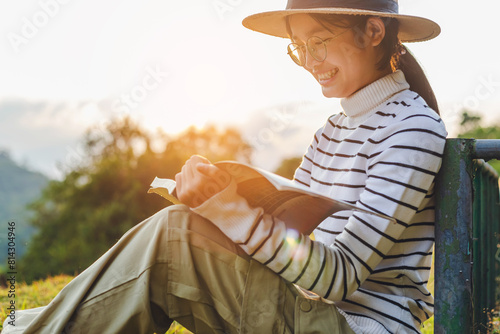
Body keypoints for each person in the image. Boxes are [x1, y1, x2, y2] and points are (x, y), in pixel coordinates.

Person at [3, 0, 447, 333]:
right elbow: (288, 241)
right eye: (299, 48)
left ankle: (29, 326)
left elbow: (340, 276)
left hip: (356, 326)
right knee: (181, 223)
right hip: (309, 309)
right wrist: (220, 200)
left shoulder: (412, 129)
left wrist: (229, 212)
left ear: (372, 31)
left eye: (320, 42)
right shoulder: (332, 130)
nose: (311, 63)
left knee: (176, 236)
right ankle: (33, 324)